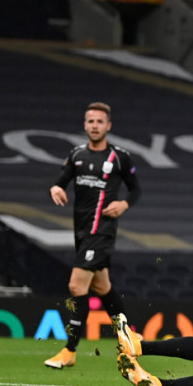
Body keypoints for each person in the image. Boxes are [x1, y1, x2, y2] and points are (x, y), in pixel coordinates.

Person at [44, 102, 141, 369]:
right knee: (102, 287)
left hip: (102, 230)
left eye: (100, 121)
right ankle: (129, 335)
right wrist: (55, 188)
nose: (95, 126)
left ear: (108, 126)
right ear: (85, 125)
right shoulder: (76, 155)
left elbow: (135, 190)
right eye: (90, 121)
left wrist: (124, 204)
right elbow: (59, 181)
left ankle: (70, 350)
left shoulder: (119, 157)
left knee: (77, 286)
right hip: (82, 230)